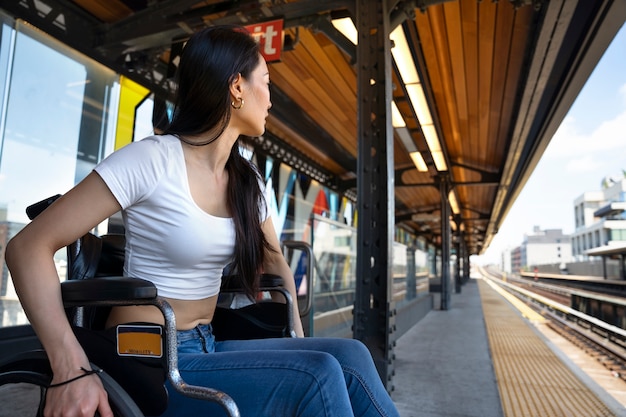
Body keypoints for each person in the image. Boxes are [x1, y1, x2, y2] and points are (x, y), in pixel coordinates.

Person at [5, 25, 400, 417]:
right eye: (266, 82)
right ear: (236, 87)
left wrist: (296, 337)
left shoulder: (246, 181)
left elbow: (276, 262)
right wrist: (69, 366)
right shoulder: (152, 160)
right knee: (317, 375)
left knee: (350, 356)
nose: (271, 100)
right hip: (148, 356)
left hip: (208, 342)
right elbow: (26, 248)